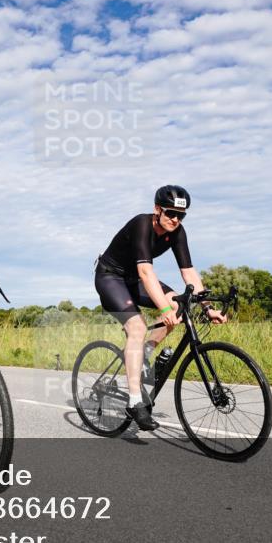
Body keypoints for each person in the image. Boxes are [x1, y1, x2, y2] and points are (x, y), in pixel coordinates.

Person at [94, 185, 227, 431]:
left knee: (180, 303)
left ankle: (144, 353)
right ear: (157, 209)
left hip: (134, 281)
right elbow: (146, 271)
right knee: (137, 327)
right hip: (110, 277)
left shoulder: (178, 232)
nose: (175, 220)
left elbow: (188, 272)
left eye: (181, 215)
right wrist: (164, 310)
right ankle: (135, 402)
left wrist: (208, 307)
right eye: (170, 214)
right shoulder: (141, 224)